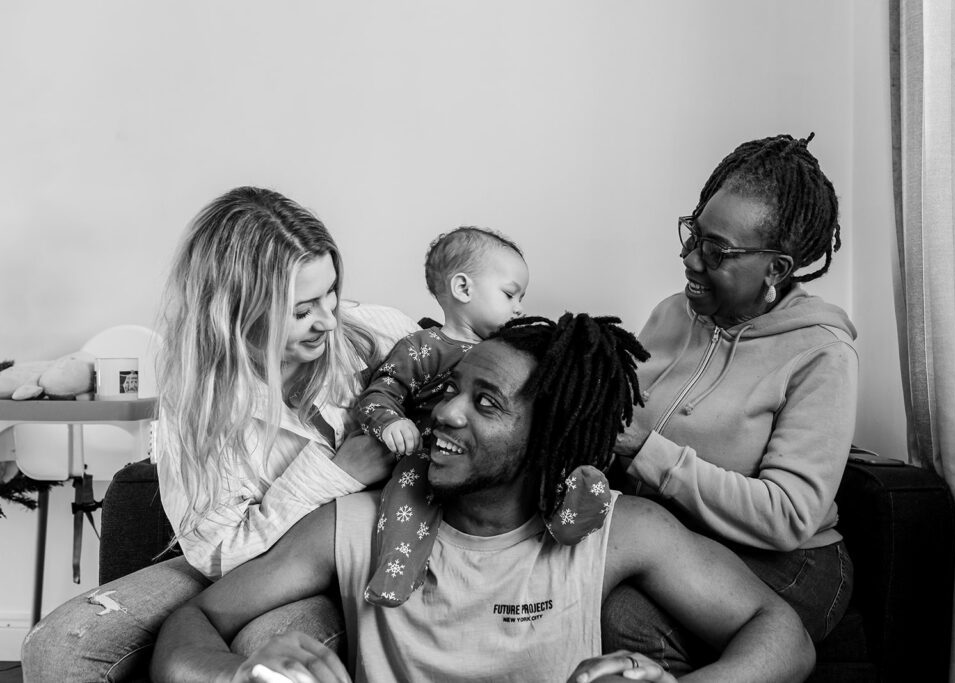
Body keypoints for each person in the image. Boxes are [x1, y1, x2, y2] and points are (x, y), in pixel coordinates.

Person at [150, 314, 816, 683]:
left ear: (548, 435)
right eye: (451, 388)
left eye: (486, 402)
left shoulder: (619, 529)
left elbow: (780, 629)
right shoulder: (353, 525)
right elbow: (192, 622)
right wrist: (232, 676)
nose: (446, 411)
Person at [20, 186, 418, 681]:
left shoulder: (378, 336)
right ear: (236, 310)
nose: (329, 320)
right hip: (241, 568)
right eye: (301, 310)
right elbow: (218, 557)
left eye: (331, 292)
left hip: (356, 554)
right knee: (58, 648)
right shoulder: (198, 405)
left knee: (271, 645)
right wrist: (335, 474)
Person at [604, 133, 857, 671]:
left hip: (787, 559)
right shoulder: (671, 312)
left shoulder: (821, 354)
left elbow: (788, 516)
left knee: (625, 618)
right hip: (676, 536)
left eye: (716, 251)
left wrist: (651, 452)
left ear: (777, 269)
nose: (690, 259)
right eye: (694, 234)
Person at [358, 227, 609, 607]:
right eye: (510, 294)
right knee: (406, 498)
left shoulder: (512, 352)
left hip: (493, 452)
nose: (520, 307)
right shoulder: (422, 347)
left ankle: (570, 509)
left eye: (521, 298)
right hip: (429, 451)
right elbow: (378, 394)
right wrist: (392, 422)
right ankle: (397, 570)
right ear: (463, 288)